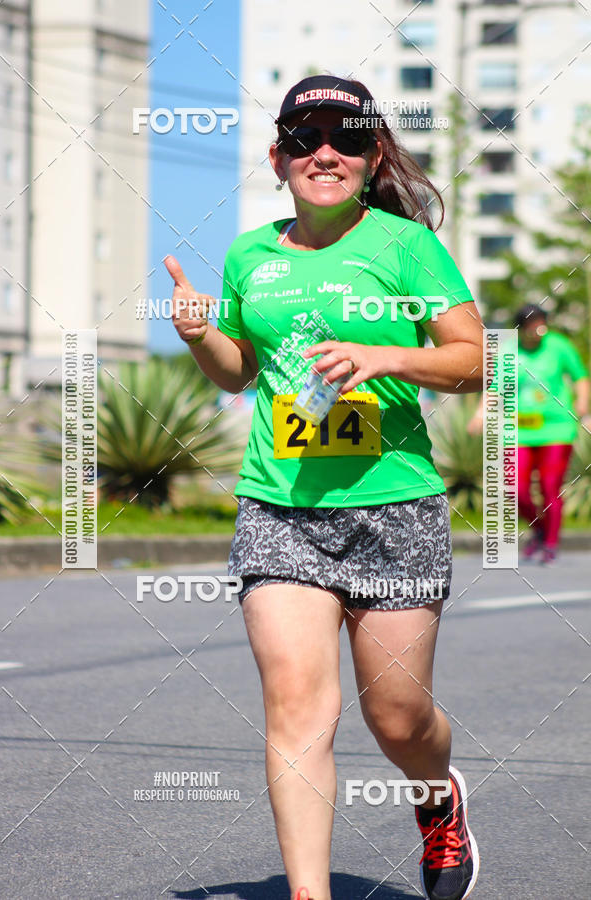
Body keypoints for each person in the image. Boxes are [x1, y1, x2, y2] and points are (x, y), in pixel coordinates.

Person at [166, 75, 483, 900]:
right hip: (281, 510)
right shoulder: (250, 255)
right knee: (298, 713)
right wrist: (202, 336)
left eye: (344, 137)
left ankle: (436, 798)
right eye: (304, 139)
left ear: (372, 155)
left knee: (397, 720)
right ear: (278, 158)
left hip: (393, 509)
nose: (325, 153)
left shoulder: (405, 247)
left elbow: (473, 358)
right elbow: (240, 372)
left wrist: (386, 357)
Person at [469, 304, 589, 564]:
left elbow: (580, 376)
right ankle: (539, 530)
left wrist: (583, 403)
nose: (538, 329)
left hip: (556, 428)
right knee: (515, 487)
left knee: (549, 487)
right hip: (518, 430)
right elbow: (494, 387)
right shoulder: (509, 351)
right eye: (532, 325)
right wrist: (480, 414)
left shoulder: (559, 346)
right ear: (520, 329)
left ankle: (551, 543)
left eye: (542, 323)